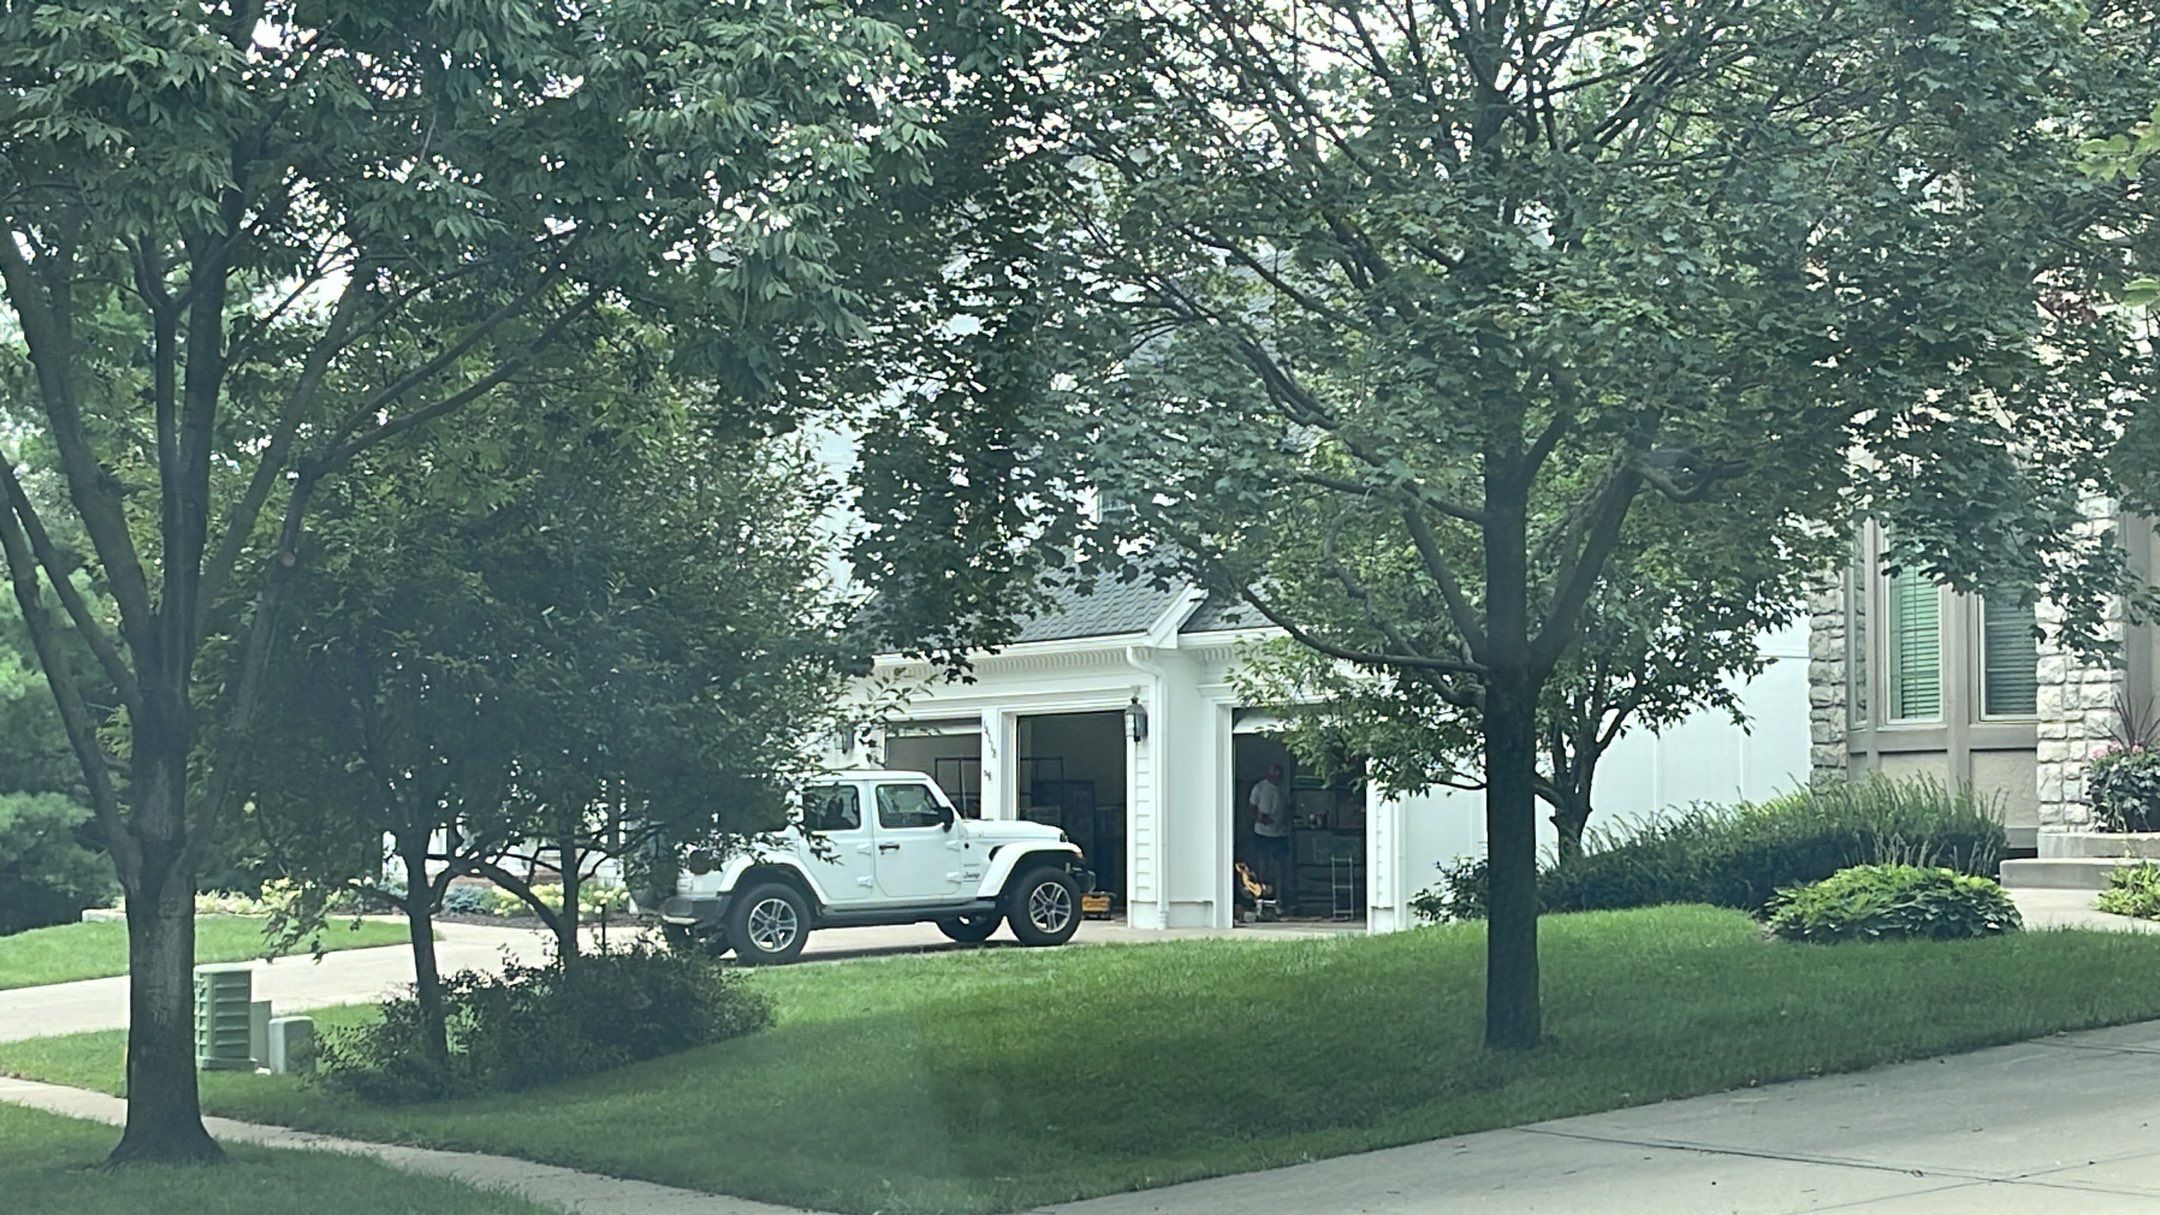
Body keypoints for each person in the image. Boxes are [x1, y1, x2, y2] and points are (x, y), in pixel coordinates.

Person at [1250, 764, 1292, 915]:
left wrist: (1285, 821)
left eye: (1279, 774)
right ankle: (1260, 899)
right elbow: (1252, 808)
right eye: (1274, 773)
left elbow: (1288, 809)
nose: (1276, 777)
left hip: (1280, 834)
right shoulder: (1259, 788)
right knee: (1262, 866)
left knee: (1279, 868)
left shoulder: (1283, 790)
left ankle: (1279, 899)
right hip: (1262, 833)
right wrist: (1260, 819)